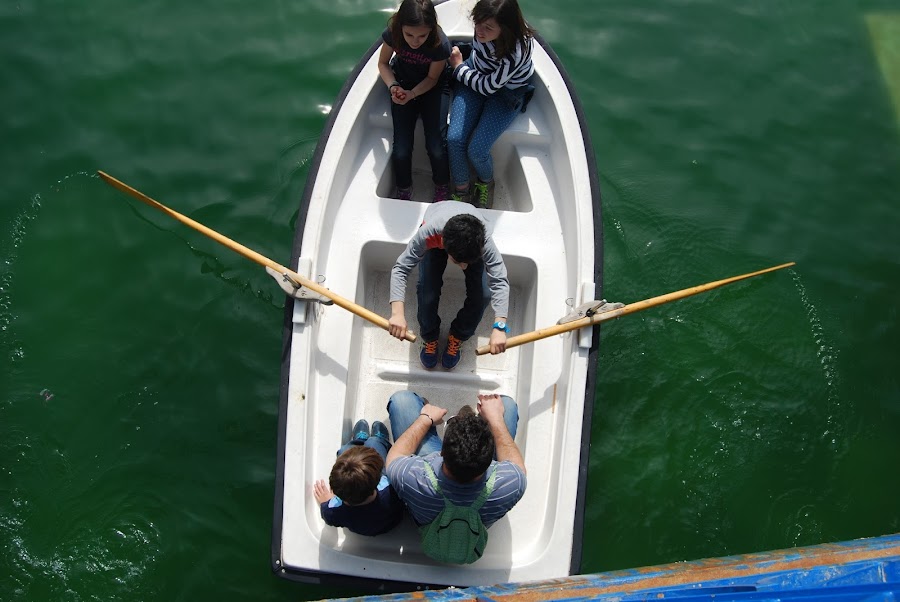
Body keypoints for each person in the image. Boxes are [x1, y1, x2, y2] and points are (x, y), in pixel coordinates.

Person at [384, 390, 526, 563]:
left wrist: (426, 418)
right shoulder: (512, 484)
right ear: (491, 459)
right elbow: (516, 465)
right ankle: (471, 418)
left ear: (442, 451)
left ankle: (436, 414)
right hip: (476, 512)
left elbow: (394, 457)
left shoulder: (412, 478)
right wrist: (495, 419)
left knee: (402, 401)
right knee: (507, 406)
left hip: (432, 514)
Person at [388, 201, 510, 370]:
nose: (464, 267)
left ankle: (458, 335)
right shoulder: (428, 234)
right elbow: (401, 268)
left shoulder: (483, 241)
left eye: (467, 263)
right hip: (438, 225)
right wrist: (397, 314)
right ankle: (430, 337)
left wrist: (500, 327)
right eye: (459, 262)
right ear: (443, 244)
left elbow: (500, 280)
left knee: (483, 295)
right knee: (427, 290)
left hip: (467, 235)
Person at [446, 0, 536, 209]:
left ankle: (486, 182)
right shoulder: (483, 32)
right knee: (454, 139)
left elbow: (488, 87)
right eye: (478, 23)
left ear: (505, 29)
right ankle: (461, 189)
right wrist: (466, 67)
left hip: (506, 93)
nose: (479, 31)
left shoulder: (515, 51)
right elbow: (481, 73)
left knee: (477, 150)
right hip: (476, 74)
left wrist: (458, 68)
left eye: (488, 28)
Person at [378, 0, 453, 203]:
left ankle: (442, 185)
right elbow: (383, 63)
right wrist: (393, 86)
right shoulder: (392, 33)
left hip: (433, 88)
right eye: (409, 35)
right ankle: (403, 187)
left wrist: (412, 95)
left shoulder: (440, 44)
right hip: (402, 82)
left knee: (436, 145)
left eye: (422, 35)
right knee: (401, 148)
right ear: (400, 27)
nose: (415, 41)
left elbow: (432, 79)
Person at [313, 419, 404, 536]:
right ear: (378, 480)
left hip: (364, 528)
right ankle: (379, 440)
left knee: (344, 451)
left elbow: (327, 514)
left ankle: (359, 441)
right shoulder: (390, 488)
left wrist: (326, 501)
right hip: (391, 523)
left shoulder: (333, 511)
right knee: (374, 443)